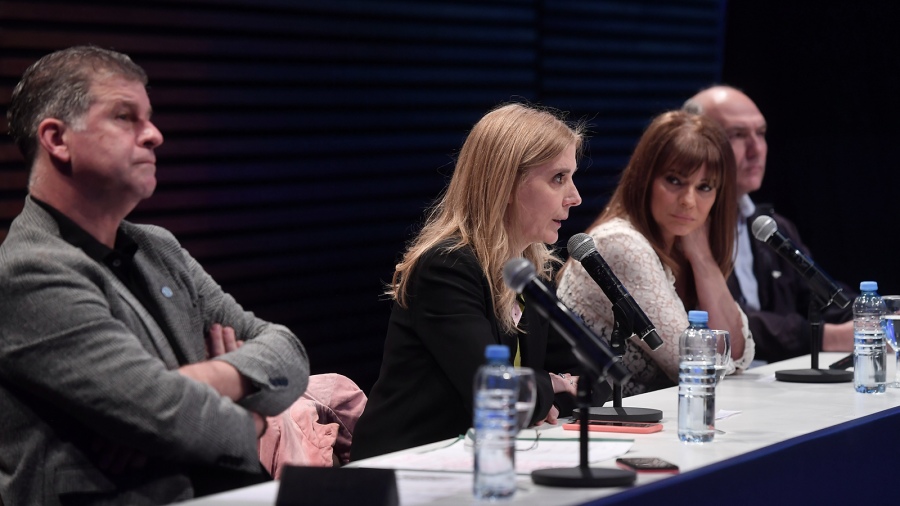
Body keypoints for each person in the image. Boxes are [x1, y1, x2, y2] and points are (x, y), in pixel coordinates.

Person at [0, 46, 309, 505]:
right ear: (57, 139)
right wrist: (256, 420)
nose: (155, 136)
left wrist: (201, 380)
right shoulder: (28, 272)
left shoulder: (157, 247)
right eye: (126, 117)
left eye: (150, 117)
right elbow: (169, 415)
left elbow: (288, 352)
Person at [351, 103, 596, 461]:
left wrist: (546, 390)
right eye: (558, 178)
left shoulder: (529, 273)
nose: (575, 197)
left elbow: (592, 379)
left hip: (483, 462)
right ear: (506, 184)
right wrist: (553, 384)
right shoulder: (447, 267)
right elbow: (495, 396)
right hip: (406, 469)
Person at [557, 110, 755, 396]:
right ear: (645, 178)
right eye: (675, 181)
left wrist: (702, 258)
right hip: (596, 427)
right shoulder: (621, 244)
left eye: (705, 187)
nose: (689, 201)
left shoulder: (680, 245)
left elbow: (735, 351)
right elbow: (695, 366)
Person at [683, 86, 853, 363]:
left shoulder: (769, 225)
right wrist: (825, 337)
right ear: (694, 144)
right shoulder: (682, 228)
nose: (756, 149)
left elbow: (822, 294)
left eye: (760, 134)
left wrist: (874, 314)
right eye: (737, 135)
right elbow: (722, 323)